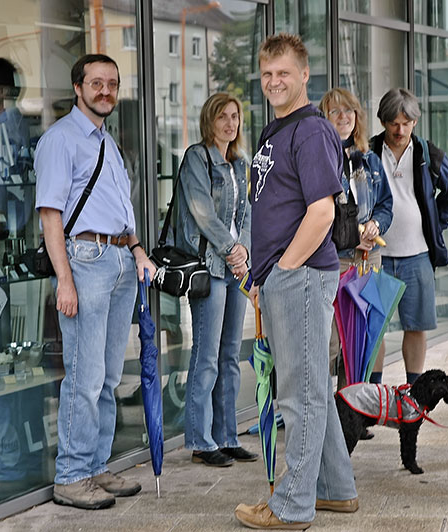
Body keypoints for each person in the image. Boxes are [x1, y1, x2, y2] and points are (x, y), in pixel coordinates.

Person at [234, 33, 358, 530]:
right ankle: (335, 489)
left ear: (305, 75)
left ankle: (292, 506)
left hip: (302, 275)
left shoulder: (310, 131)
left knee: (299, 396)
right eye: (266, 74)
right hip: (286, 276)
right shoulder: (275, 129)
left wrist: (283, 270)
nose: (274, 82)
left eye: (283, 72)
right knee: (312, 391)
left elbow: (323, 210)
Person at [35, 53, 155, 510]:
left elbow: (120, 208)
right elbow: (51, 217)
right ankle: (70, 475)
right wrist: (64, 280)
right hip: (84, 259)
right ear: (78, 88)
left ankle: (95, 466)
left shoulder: (107, 141)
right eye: (96, 83)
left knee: (105, 377)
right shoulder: (60, 141)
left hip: (121, 258)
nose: (105, 91)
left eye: (112, 84)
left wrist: (138, 250)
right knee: (83, 378)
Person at [175, 92, 258, 467]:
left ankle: (227, 436)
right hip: (210, 266)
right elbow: (202, 213)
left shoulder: (239, 164)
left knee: (229, 356)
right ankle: (201, 440)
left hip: (235, 269)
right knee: (206, 356)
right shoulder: (197, 158)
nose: (230, 123)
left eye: (235, 117)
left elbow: (248, 216)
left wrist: (246, 255)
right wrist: (231, 250)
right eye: (222, 116)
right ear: (209, 120)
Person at [369, 88, 448, 384]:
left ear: (415, 122)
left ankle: (413, 391)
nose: (400, 130)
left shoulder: (427, 153)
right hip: (376, 256)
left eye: (406, 123)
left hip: (417, 255)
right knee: (374, 327)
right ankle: (373, 394)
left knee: (416, 326)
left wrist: (437, 224)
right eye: (394, 123)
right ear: (383, 122)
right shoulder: (369, 152)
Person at [318, 87, 393, 388]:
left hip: (368, 257)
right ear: (324, 118)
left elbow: (386, 204)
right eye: (335, 111)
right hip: (334, 259)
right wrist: (351, 238)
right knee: (331, 342)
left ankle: (350, 411)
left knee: (359, 338)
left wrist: (376, 223)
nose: (343, 117)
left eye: (348, 110)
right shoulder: (320, 158)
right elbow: (317, 215)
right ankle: (324, 416)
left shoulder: (369, 159)